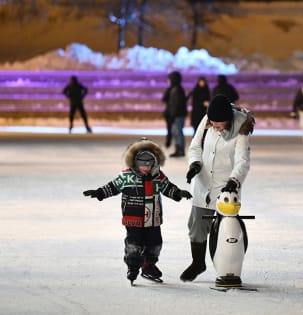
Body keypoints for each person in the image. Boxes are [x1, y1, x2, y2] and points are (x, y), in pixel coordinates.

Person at [83, 138, 192, 285]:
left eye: (149, 163)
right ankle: (133, 267)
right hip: (133, 218)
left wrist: (178, 193)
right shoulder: (126, 176)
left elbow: (168, 188)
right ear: (134, 161)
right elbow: (113, 187)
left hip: (153, 218)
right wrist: (99, 192)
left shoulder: (158, 176)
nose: (146, 167)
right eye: (142, 164)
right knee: (134, 244)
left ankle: (148, 265)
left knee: (155, 243)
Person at [179, 94, 255, 282]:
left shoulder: (241, 130)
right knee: (196, 225)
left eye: (219, 124)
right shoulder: (207, 121)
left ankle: (227, 266)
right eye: (212, 123)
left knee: (227, 229)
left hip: (226, 187)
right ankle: (198, 263)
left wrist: (233, 181)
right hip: (203, 183)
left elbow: (242, 161)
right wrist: (195, 164)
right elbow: (195, 146)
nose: (215, 127)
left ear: (228, 120)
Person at [162, 71, 188, 157]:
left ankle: (180, 150)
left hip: (177, 115)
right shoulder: (174, 89)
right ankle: (178, 149)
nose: (167, 81)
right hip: (176, 115)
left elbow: (176, 104)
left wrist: (173, 114)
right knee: (175, 131)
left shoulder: (177, 90)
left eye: (169, 79)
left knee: (177, 131)